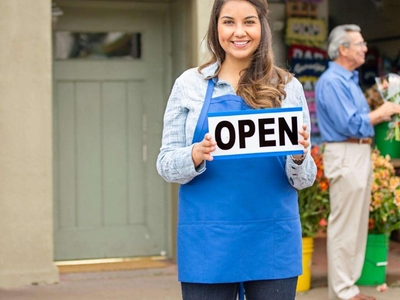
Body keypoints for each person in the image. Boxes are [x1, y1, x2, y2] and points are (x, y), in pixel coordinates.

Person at [156, 0, 316, 299]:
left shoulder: (287, 87)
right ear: (216, 27)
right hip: (208, 239)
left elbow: (304, 180)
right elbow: (166, 164)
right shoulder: (189, 84)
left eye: (249, 22)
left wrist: (299, 155)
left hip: (272, 237)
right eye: (229, 22)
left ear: (262, 27)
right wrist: (195, 153)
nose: (239, 32)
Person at [315, 24, 400, 300]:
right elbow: (350, 124)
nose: (365, 48)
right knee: (345, 226)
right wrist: (383, 110)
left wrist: (381, 110)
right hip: (345, 152)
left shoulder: (348, 79)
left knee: (356, 224)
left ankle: (348, 289)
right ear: (343, 49)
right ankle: (342, 292)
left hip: (357, 152)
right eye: (360, 44)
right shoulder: (332, 81)